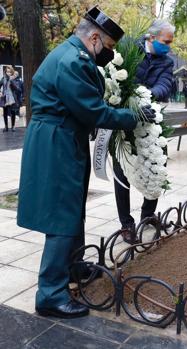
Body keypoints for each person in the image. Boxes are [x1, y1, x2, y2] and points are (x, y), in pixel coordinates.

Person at [17, 6, 156, 319]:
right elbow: (93, 112)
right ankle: (50, 294)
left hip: (62, 137)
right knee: (61, 215)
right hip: (57, 141)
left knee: (72, 208)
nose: (108, 53)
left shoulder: (72, 55)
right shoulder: (73, 61)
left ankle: (74, 267)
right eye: (107, 47)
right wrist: (132, 117)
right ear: (94, 37)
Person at [114, 19, 175, 244]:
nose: (168, 45)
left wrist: (145, 97)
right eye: (165, 41)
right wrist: (133, 101)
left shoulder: (166, 61)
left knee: (156, 166)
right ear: (151, 37)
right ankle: (126, 224)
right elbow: (119, 78)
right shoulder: (129, 49)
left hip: (151, 119)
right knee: (122, 173)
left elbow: (165, 85)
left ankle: (148, 216)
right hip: (124, 119)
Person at [0, 66, 21, 132]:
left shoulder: (13, 79)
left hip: (12, 98)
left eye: (9, 72)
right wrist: (0, 92)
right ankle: (6, 127)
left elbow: (17, 89)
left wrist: (12, 81)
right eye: (7, 72)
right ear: (5, 72)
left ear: (12, 72)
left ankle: (13, 126)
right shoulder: (3, 79)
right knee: (5, 112)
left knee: (13, 112)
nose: (8, 73)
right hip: (5, 97)